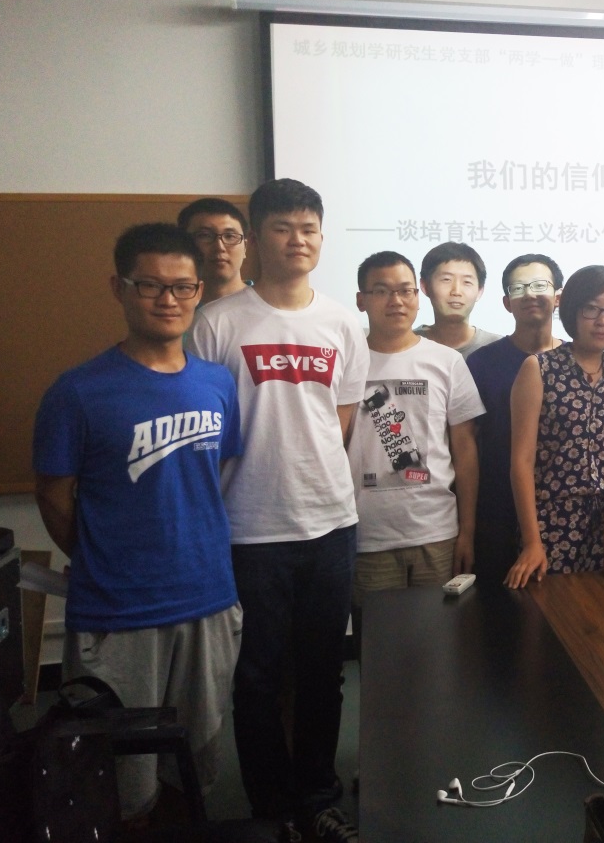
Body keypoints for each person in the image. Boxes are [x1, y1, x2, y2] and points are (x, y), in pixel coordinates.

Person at [33, 223, 242, 824]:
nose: (168, 299)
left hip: (208, 600)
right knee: (122, 781)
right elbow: (54, 496)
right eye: (150, 285)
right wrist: (103, 558)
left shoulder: (217, 382)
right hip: (119, 613)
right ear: (119, 288)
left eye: (183, 287)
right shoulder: (77, 392)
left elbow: (215, 473)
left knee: (195, 763)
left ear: (199, 291)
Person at [188, 178, 368, 838]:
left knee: (324, 672)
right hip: (248, 527)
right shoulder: (217, 323)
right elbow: (205, 428)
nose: (298, 240)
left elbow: (340, 419)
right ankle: (270, 809)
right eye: (283, 228)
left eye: (309, 228)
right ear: (256, 238)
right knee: (257, 678)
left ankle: (318, 796)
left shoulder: (341, 322)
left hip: (330, 522)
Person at [347, 250, 484, 600]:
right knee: (375, 633)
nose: (396, 300)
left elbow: (465, 453)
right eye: (381, 291)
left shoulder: (447, 362)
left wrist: (467, 532)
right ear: (361, 300)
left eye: (405, 290)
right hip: (366, 536)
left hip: (437, 533)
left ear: (418, 297)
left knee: (440, 631)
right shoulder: (346, 361)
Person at [504, 265, 604, 588]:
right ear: (571, 310)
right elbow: (521, 461)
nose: (603, 320)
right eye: (591, 308)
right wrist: (532, 542)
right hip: (549, 526)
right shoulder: (538, 368)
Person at [466, 253, 565, 581]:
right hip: (497, 513)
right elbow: (467, 445)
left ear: (558, 297)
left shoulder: (578, 361)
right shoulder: (480, 363)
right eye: (519, 288)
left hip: (564, 515)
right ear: (507, 303)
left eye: (540, 285)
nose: (530, 294)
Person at [414, 241, 501, 357]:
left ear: (480, 290)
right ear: (425, 286)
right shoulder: (407, 345)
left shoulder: (498, 348)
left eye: (467, 282)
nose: (456, 291)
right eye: (446, 280)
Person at [177, 197, 251, 303]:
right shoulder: (173, 306)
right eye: (205, 235)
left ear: (245, 247)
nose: (219, 247)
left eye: (230, 236)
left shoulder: (267, 304)